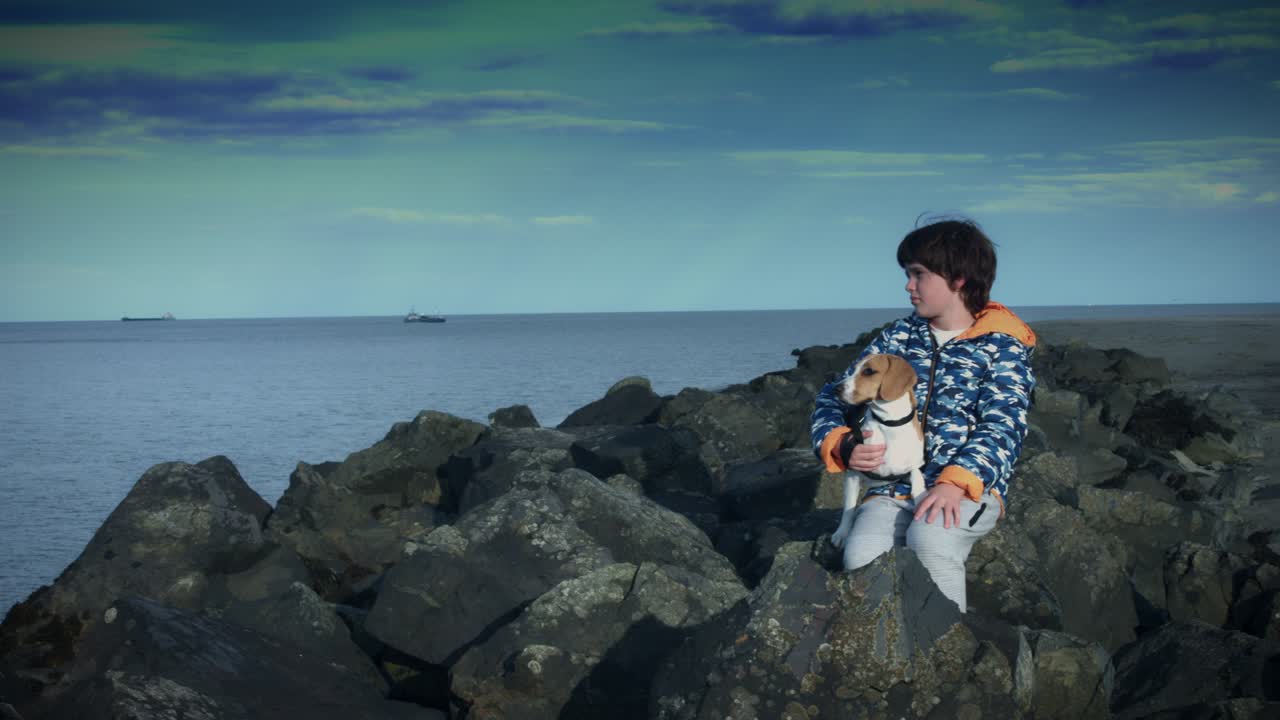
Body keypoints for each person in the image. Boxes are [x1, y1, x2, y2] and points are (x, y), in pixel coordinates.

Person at [810, 217, 1037, 613]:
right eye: (908, 275)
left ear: (959, 278)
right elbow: (834, 396)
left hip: (965, 489)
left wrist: (955, 482)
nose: (908, 286)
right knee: (861, 558)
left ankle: (948, 654)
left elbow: (1005, 423)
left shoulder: (1002, 346)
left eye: (918, 275)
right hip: (891, 489)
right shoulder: (897, 338)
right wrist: (840, 443)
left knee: (930, 539)